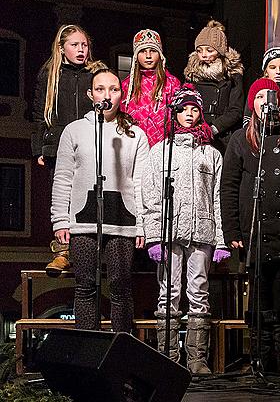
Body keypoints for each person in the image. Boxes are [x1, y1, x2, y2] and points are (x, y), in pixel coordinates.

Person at [220, 78, 280, 376]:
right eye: (259, 96)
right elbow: (230, 187)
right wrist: (233, 231)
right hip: (255, 231)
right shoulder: (240, 139)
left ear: (279, 102)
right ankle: (260, 358)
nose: (265, 101)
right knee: (259, 297)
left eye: (270, 95)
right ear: (253, 104)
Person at [51, 69, 150, 333]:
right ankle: (87, 347)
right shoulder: (75, 130)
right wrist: (60, 219)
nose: (107, 95)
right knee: (85, 286)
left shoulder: (135, 135)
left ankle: (120, 349)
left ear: (121, 94)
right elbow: (63, 177)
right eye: (100, 89)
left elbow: (140, 181)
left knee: (120, 286)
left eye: (114, 89)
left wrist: (141, 224)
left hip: (122, 221)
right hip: (83, 221)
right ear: (90, 94)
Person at [141, 86, 228, 374]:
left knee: (199, 291)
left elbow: (217, 198)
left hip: (201, 232)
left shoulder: (211, 155)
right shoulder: (159, 152)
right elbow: (151, 196)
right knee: (169, 291)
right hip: (169, 233)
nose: (189, 115)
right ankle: (168, 357)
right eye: (184, 109)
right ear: (174, 113)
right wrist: (154, 237)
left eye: (194, 110)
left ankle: (197, 359)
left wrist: (221, 241)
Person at [33, 24, 105, 276]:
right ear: (62, 48)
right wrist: (40, 147)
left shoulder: (96, 73)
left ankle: (93, 252)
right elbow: (39, 112)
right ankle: (62, 252)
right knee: (62, 200)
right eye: (75, 45)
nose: (81, 49)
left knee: (90, 197)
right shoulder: (50, 74)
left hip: (90, 145)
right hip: (58, 146)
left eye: (84, 45)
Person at [183, 20, 245, 151]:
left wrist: (213, 128)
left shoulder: (232, 74)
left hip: (223, 137)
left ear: (220, 50)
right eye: (199, 51)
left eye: (209, 50)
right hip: (195, 133)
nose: (204, 54)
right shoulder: (192, 74)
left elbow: (236, 110)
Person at [121, 29, 181, 148]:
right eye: (143, 51)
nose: (148, 56)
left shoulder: (172, 83)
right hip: (133, 145)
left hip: (164, 147)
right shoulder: (127, 85)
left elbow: (179, 119)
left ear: (160, 54)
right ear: (136, 56)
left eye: (153, 51)